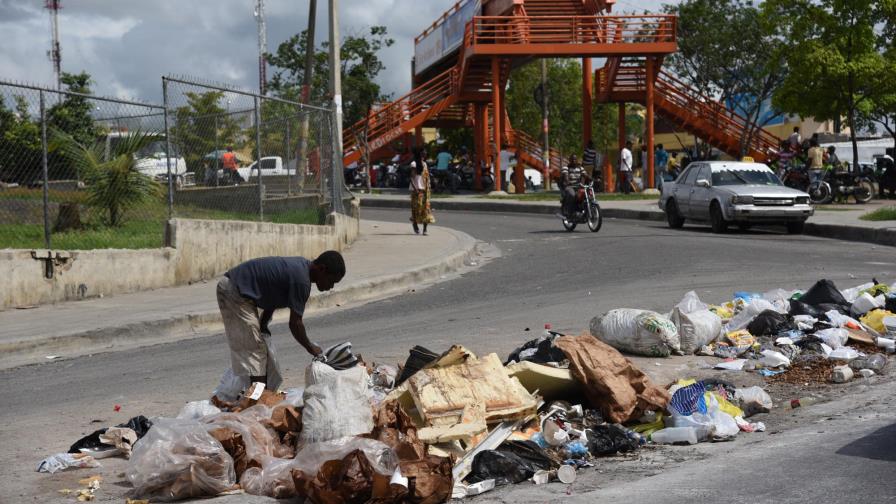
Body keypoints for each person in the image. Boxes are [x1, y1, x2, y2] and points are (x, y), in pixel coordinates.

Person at [216, 251, 346, 388]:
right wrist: (310, 347)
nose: (331, 287)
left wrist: (263, 323)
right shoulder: (301, 281)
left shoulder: (302, 267)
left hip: (237, 289)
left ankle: (257, 394)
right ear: (322, 269)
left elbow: (273, 296)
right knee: (255, 350)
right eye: (331, 281)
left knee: (256, 348)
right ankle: (255, 397)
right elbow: (295, 323)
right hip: (234, 291)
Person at [409, 148, 435, 235]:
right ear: (419, 154)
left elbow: (426, 178)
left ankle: (425, 229)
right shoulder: (414, 164)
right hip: (416, 190)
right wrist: (415, 189)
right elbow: (411, 178)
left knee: (426, 209)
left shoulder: (425, 164)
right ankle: (415, 224)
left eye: (425, 153)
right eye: (423, 153)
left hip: (425, 190)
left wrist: (429, 187)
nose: (425, 154)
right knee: (417, 208)